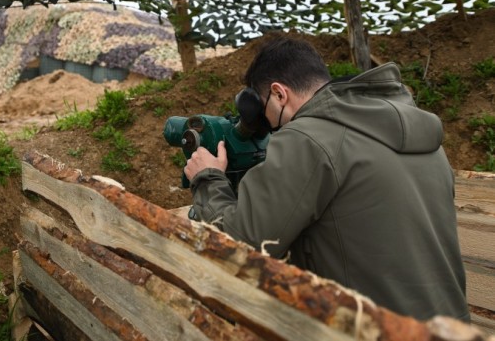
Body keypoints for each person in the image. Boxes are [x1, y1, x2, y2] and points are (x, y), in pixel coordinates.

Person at [184, 35, 469, 322]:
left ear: (279, 93)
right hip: (449, 327)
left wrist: (207, 178)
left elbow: (241, 244)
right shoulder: (420, 133)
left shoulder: (308, 139)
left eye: (264, 106)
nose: (267, 124)